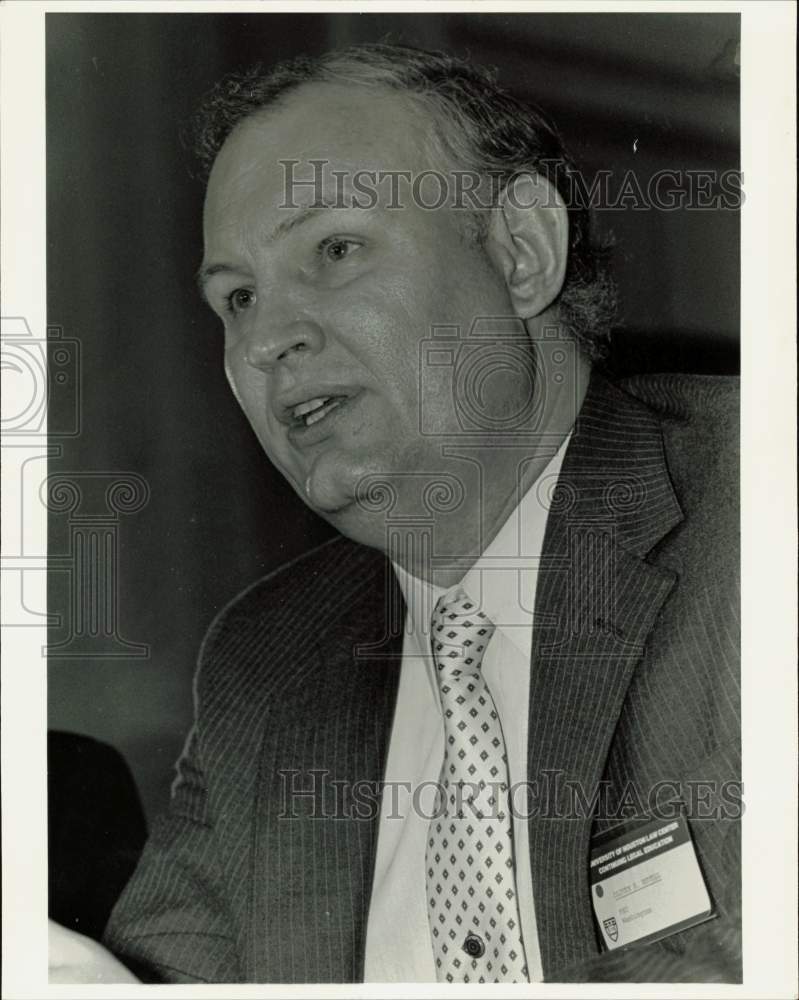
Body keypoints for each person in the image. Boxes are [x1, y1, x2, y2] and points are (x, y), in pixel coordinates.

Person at [49, 43, 740, 984]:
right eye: (237, 297)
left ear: (519, 252)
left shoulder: (751, 513)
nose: (265, 340)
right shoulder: (268, 662)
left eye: (333, 250)